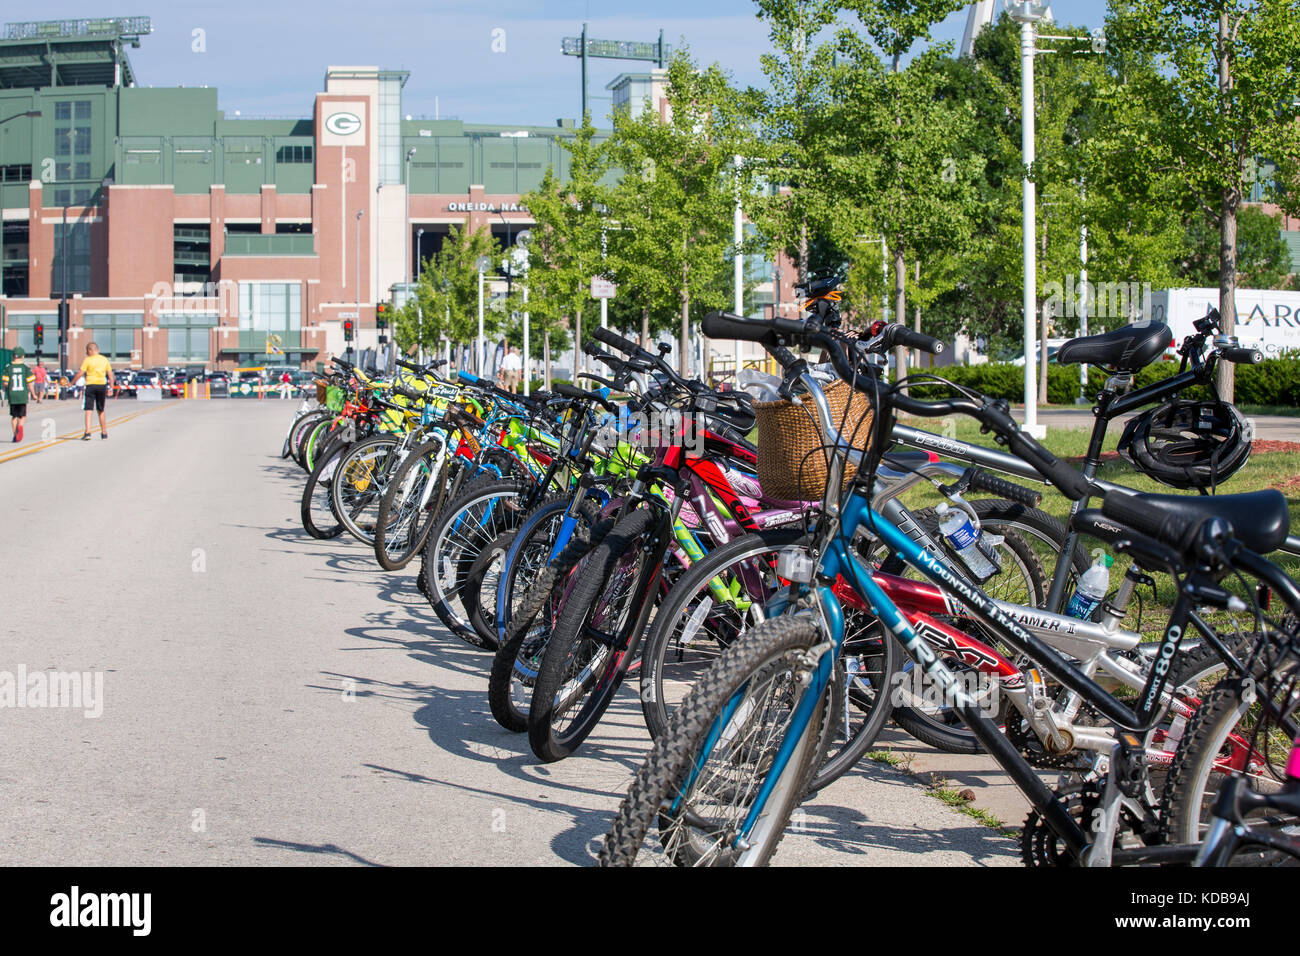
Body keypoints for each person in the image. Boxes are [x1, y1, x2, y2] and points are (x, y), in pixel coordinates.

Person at [78, 342, 115, 440]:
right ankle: (104, 433)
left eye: (87, 351)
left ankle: (87, 432)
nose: (87, 353)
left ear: (90, 350)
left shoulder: (88, 360)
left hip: (90, 385)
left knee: (88, 410)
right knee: (101, 409)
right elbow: (110, 375)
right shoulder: (104, 360)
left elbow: (80, 373)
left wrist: (72, 382)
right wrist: (111, 388)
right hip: (101, 386)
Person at [5, 347, 32, 442]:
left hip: (12, 395)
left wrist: (7, 390)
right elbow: (30, 382)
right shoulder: (25, 367)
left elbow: (5, 383)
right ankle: (20, 426)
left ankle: (14, 435)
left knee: (14, 416)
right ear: (23, 356)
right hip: (22, 395)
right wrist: (33, 394)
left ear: (13, 356)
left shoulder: (8, 367)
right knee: (22, 416)